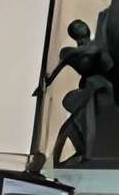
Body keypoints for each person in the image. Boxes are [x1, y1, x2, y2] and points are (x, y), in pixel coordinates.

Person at [40, 16, 114, 164]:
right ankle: (82, 152)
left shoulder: (71, 53)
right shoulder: (90, 49)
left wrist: (46, 82)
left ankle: (84, 152)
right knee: (75, 116)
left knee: (76, 117)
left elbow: (53, 75)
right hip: (97, 89)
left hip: (98, 89)